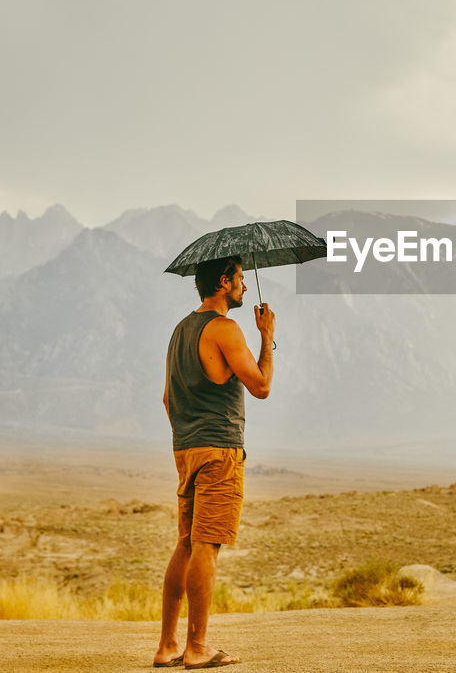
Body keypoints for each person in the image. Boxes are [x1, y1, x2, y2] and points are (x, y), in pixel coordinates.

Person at [153, 256, 274, 670]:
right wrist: (266, 336)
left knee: (186, 542)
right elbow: (260, 386)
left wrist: (187, 437)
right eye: (239, 279)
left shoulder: (180, 331)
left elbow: (168, 399)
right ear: (223, 282)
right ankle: (198, 648)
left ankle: (168, 645)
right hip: (220, 449)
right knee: (207, 545)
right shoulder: (224, 328)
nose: (243, 286)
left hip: (185, 449)